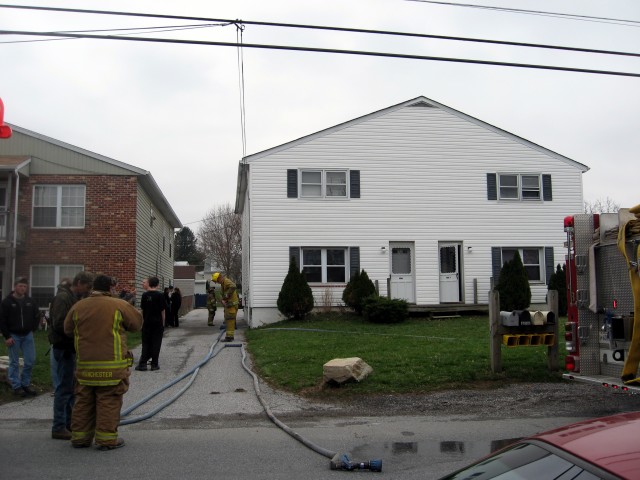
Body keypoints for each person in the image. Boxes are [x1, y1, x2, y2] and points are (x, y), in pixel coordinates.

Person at [64, 274, 142, 450]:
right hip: (111, 368)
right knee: (108, 401)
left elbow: (67, 330)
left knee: (83, 402)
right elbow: (136, 325)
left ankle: (79, 438)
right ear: (110, 288)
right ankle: (106, 440)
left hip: (84, 368)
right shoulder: (118, 305)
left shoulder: (78, 306)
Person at [49, 272, 94, 440]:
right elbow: (59, 324)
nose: (88, 291)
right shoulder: (63, 298)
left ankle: (69, 423)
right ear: (79, 283)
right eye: (87, 287)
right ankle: (58, 426)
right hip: (64, 348)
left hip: (70, 348)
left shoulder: (71, 297)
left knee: (71, 389)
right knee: (64, 389)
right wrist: (79, 330)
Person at [0, 277, 42, 397]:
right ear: (15, 286)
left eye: (24, 286)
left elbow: (37, 315)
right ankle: (16, 386)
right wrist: (7, 336)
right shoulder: (7, 302)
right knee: (14, 362)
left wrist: (33, 329)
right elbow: (2, 320)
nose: (22, 288)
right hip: (13, 335)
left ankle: (25, 384)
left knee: (30, 361)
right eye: (20, 286)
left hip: (27, 335)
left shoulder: (30, 301)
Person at [136, 276, 166, 371]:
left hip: (147, 322)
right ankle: (154, 364)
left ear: (149, 283)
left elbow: (143, 310)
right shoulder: (160, 295)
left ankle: (143, 364)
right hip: (157, 323)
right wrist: (163, 323)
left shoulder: (145, 295)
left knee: (146, 343)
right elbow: (162, 311)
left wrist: (142, 323)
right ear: (157, 285)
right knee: (156, 343)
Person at [212, 272, 238, 342]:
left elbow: (233, 286)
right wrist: (222, 299)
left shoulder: (226, 281)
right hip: (229, 305)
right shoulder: (223, 283)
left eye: (216, 281)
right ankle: (230, 336)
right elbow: (222, 294)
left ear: (219, 278)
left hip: (231, 305)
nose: (217, 283)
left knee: (230, 321)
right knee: (229, 321)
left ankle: (229, 337)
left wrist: (226, 296)